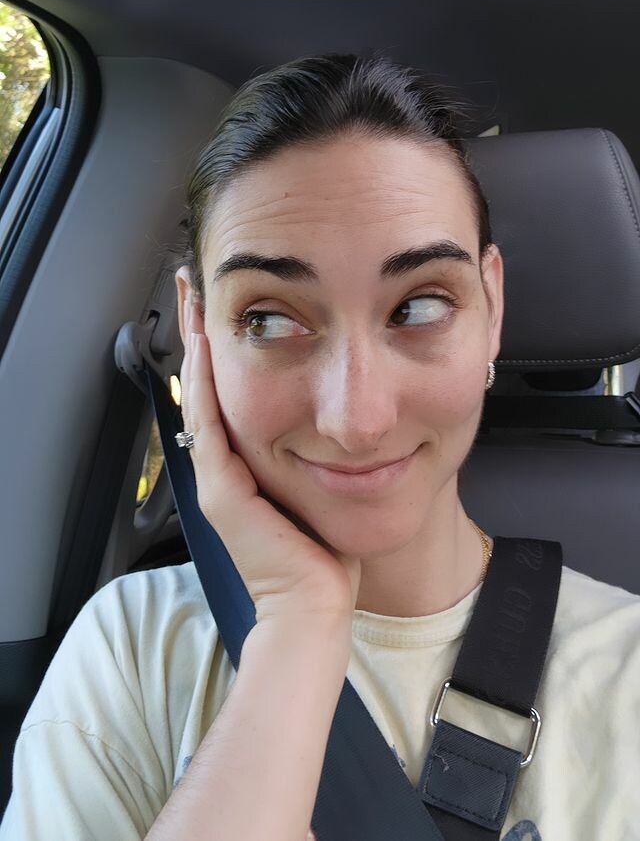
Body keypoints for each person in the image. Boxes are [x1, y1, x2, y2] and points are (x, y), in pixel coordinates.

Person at [1, 52, 639, 841]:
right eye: (268, 319)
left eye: (419, 306)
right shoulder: (130, 649)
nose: (356, 421)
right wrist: (297, 624)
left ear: (493, 304)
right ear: (197, 329)